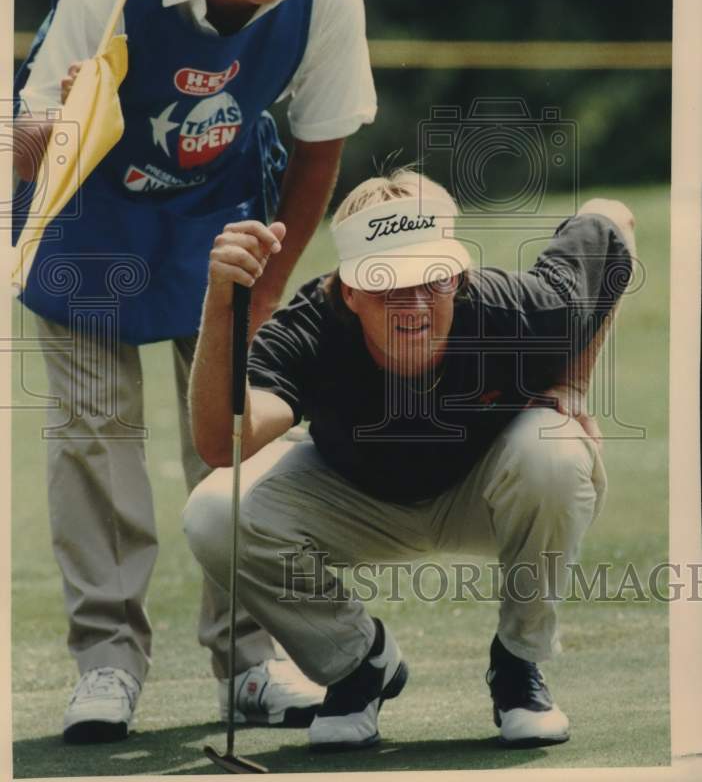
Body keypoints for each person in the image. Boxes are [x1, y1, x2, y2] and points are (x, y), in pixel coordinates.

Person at [12, 0, 376, 742]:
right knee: (95, 433)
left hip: (222, 207)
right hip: (88, 210)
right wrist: (54, 130)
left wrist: (270, 290)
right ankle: (106, 664)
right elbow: (29, 141)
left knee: (231, 437)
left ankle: (251, 658)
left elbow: (317, 150)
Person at [184, 168, 635, 751]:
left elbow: (612, 216)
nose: (416, 304)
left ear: (459, 274)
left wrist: (575, 379)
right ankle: (359, 663)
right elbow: (224, 444)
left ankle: (519, 665)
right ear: (348, 290)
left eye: (434, 280)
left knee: (555, 448)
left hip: (484, 494)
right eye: (388, 284)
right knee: (215, 511)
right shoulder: (311, 328)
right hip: (354, 499)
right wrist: (222, 301)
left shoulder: (517, 310)